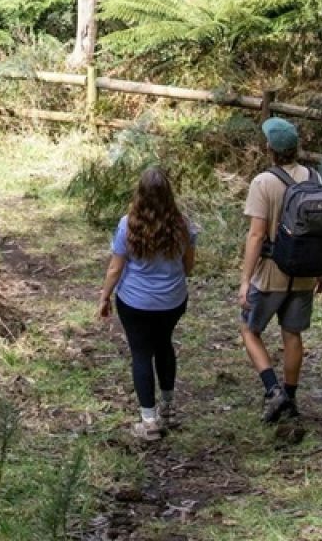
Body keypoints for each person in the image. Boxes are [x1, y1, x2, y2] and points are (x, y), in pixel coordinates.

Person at [98, 167, 199, 440]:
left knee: (141, 353)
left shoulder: (127, 225)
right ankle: (167, 407)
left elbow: (115, 269)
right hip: (172, 301)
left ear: (139, 193)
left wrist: (105, 296)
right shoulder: (184, 225)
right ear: (169, 194)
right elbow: (188, 267)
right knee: (164, 344)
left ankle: (149, 420)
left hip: (135, 302)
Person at [238, 116, 322, 422]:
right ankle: (290, 397)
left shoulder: (263, 182)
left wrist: (245, 280)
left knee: (250, 330)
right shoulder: (315, 178)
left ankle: (273, 392)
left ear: (270, 149)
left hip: (271, 273)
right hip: (304, 274)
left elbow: (256, 235)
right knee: (293, 334)